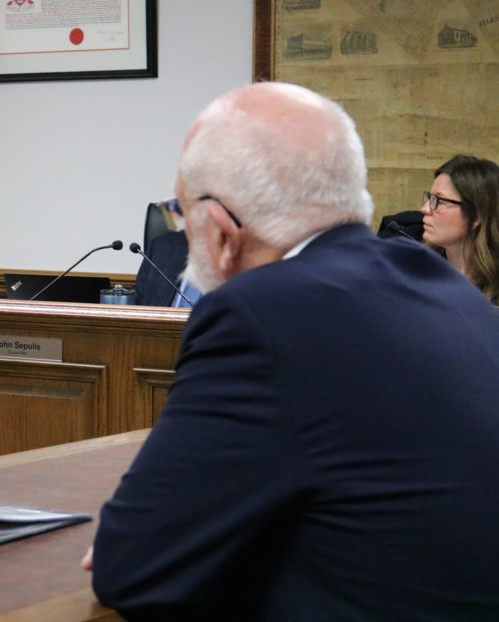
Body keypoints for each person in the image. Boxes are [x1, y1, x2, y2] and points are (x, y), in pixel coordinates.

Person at [83, 82, 499, 620]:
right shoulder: (441, 289)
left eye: (185, 217)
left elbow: (131, 567)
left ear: (222, 230)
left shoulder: (257, 315)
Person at [420, 154, 499, 304]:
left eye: (439, 201)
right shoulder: (418, 270)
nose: (425, 209)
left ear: (475, 216)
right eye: (430, 198)